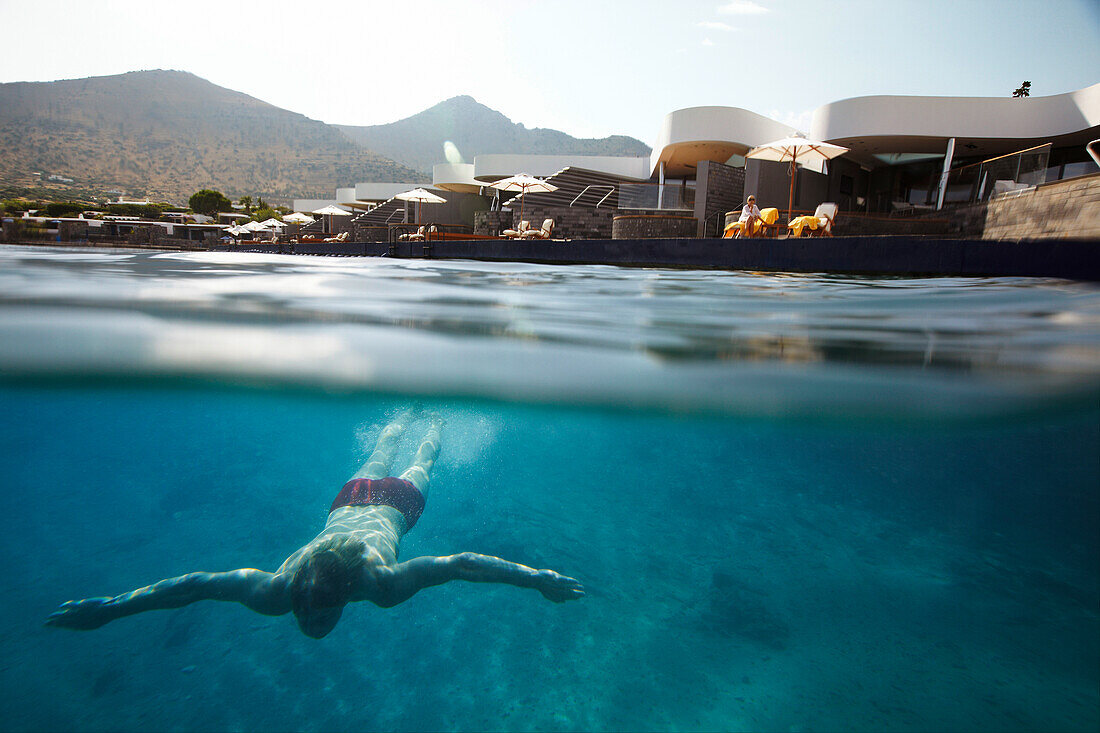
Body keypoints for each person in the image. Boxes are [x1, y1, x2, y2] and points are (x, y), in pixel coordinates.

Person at [45, 410, 584, 639]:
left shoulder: (370, 585)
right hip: (359, 504)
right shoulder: (287, 591)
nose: (310, 622)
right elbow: (192, 587)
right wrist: (111, 609)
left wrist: (539, 579)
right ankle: (428, 422)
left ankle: (426, 421)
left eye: (313, 616)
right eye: (313, 615)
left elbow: (195, 586)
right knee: (411, 459)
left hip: (378, 503)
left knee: (410, 459)